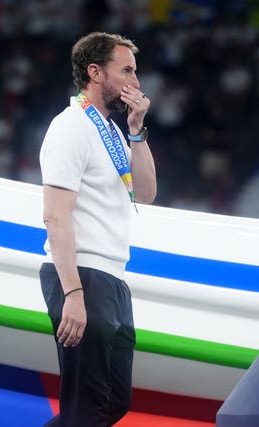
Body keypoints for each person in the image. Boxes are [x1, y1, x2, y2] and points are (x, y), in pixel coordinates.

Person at [38, 32, 157, 427]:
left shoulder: (114, 134)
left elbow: (147, 192)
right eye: (126, 70)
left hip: (112, 277)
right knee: (88, 408)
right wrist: (72, 292)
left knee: (113, 404)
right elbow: (55, 216)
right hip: (82, 275)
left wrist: (137, 131)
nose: (135, 82)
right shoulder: (71, 126)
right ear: (95, 72)